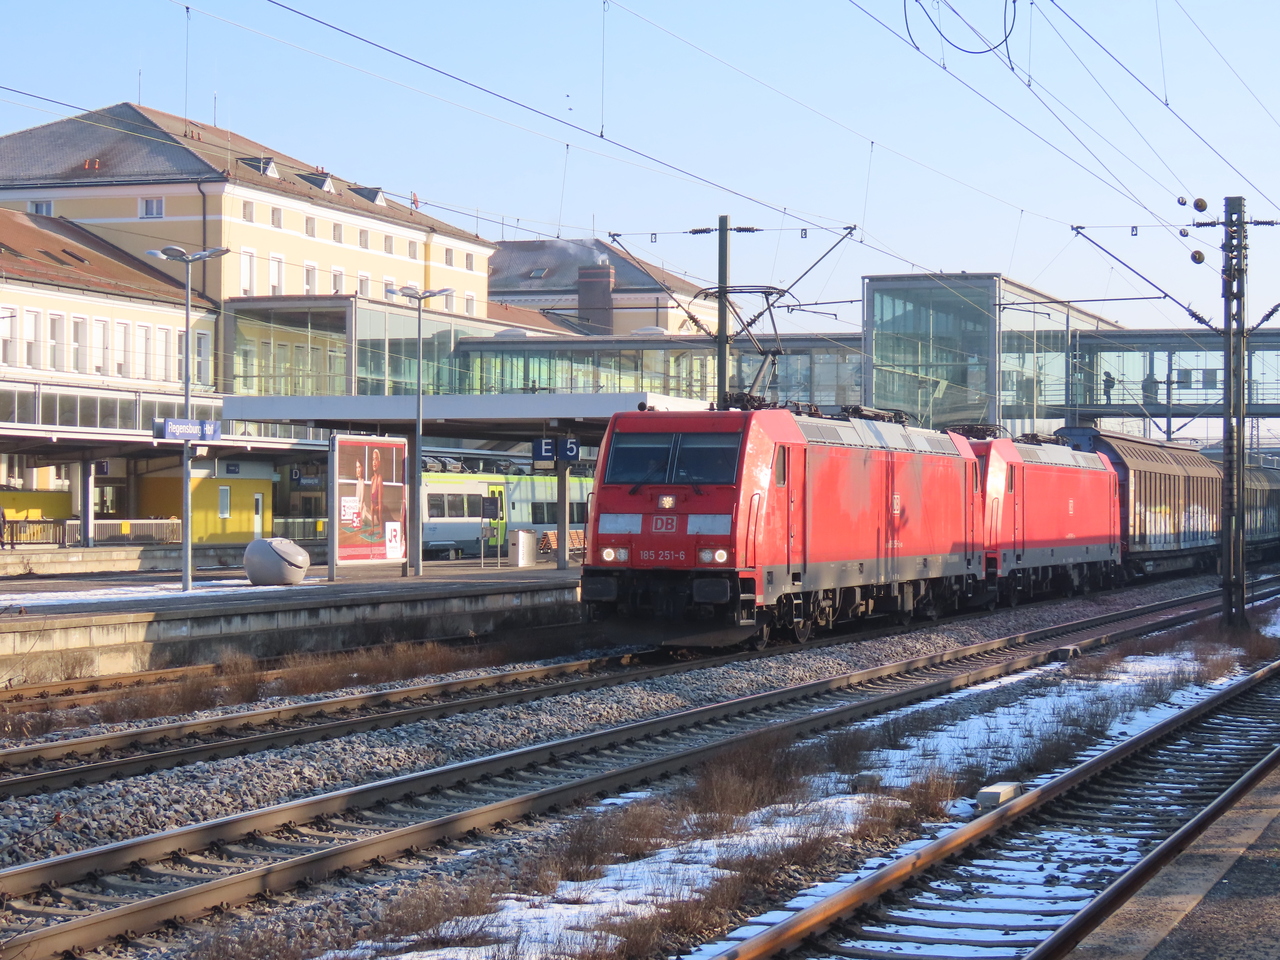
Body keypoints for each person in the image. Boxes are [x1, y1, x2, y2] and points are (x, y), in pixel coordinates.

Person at [369, 448, 385, 527]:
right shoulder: (372, 479)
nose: (374, 462)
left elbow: (380, 506)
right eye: (373, 459)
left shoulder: (379, 479)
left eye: (376, 459)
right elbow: (371, 505)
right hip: (375, 516)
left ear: (379, 462)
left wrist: (381, 531)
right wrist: (372, 529)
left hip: (381, 517)